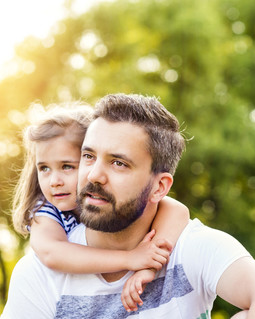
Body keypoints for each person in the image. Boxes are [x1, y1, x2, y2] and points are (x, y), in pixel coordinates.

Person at [2, 94, 255, 318]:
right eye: (88, 156)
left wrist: (148, 263)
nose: (94, 175)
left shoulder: (190, 246)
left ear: (159, 187)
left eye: (119, 163)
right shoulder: (39, 274)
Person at [11, 102, 190, 311]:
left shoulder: (102, 194)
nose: (54, 181)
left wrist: (149, 266)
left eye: (67, 166)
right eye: (44, 168)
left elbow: (177, 210)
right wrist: (130, 259)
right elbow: (52, 253)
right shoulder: (46, 211)